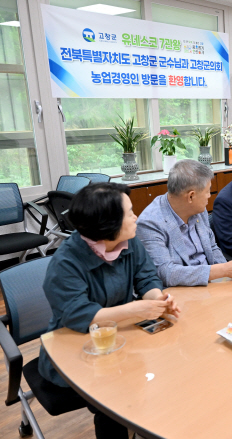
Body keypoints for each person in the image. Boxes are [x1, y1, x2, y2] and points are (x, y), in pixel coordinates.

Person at [37, 183, 181, 439]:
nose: (136, 216)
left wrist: (159, 301)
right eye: (129, 213)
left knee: (166, 371)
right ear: (107, 225)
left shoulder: (129, 241)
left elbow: (146, 278)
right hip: (74, 350)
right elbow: (78, 315)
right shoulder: (66, 262)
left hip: (122, 341)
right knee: (114, 400)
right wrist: (137, 309)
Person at [136, 160, 232, 287]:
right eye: (207, 191)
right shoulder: (150, 223)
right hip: (180, 294)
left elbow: (212, 248)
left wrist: (230, 275)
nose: (209, 196)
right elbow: (166, 273)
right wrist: (223, 270)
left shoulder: (197, 210)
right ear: (191, 196)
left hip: (212, 285)